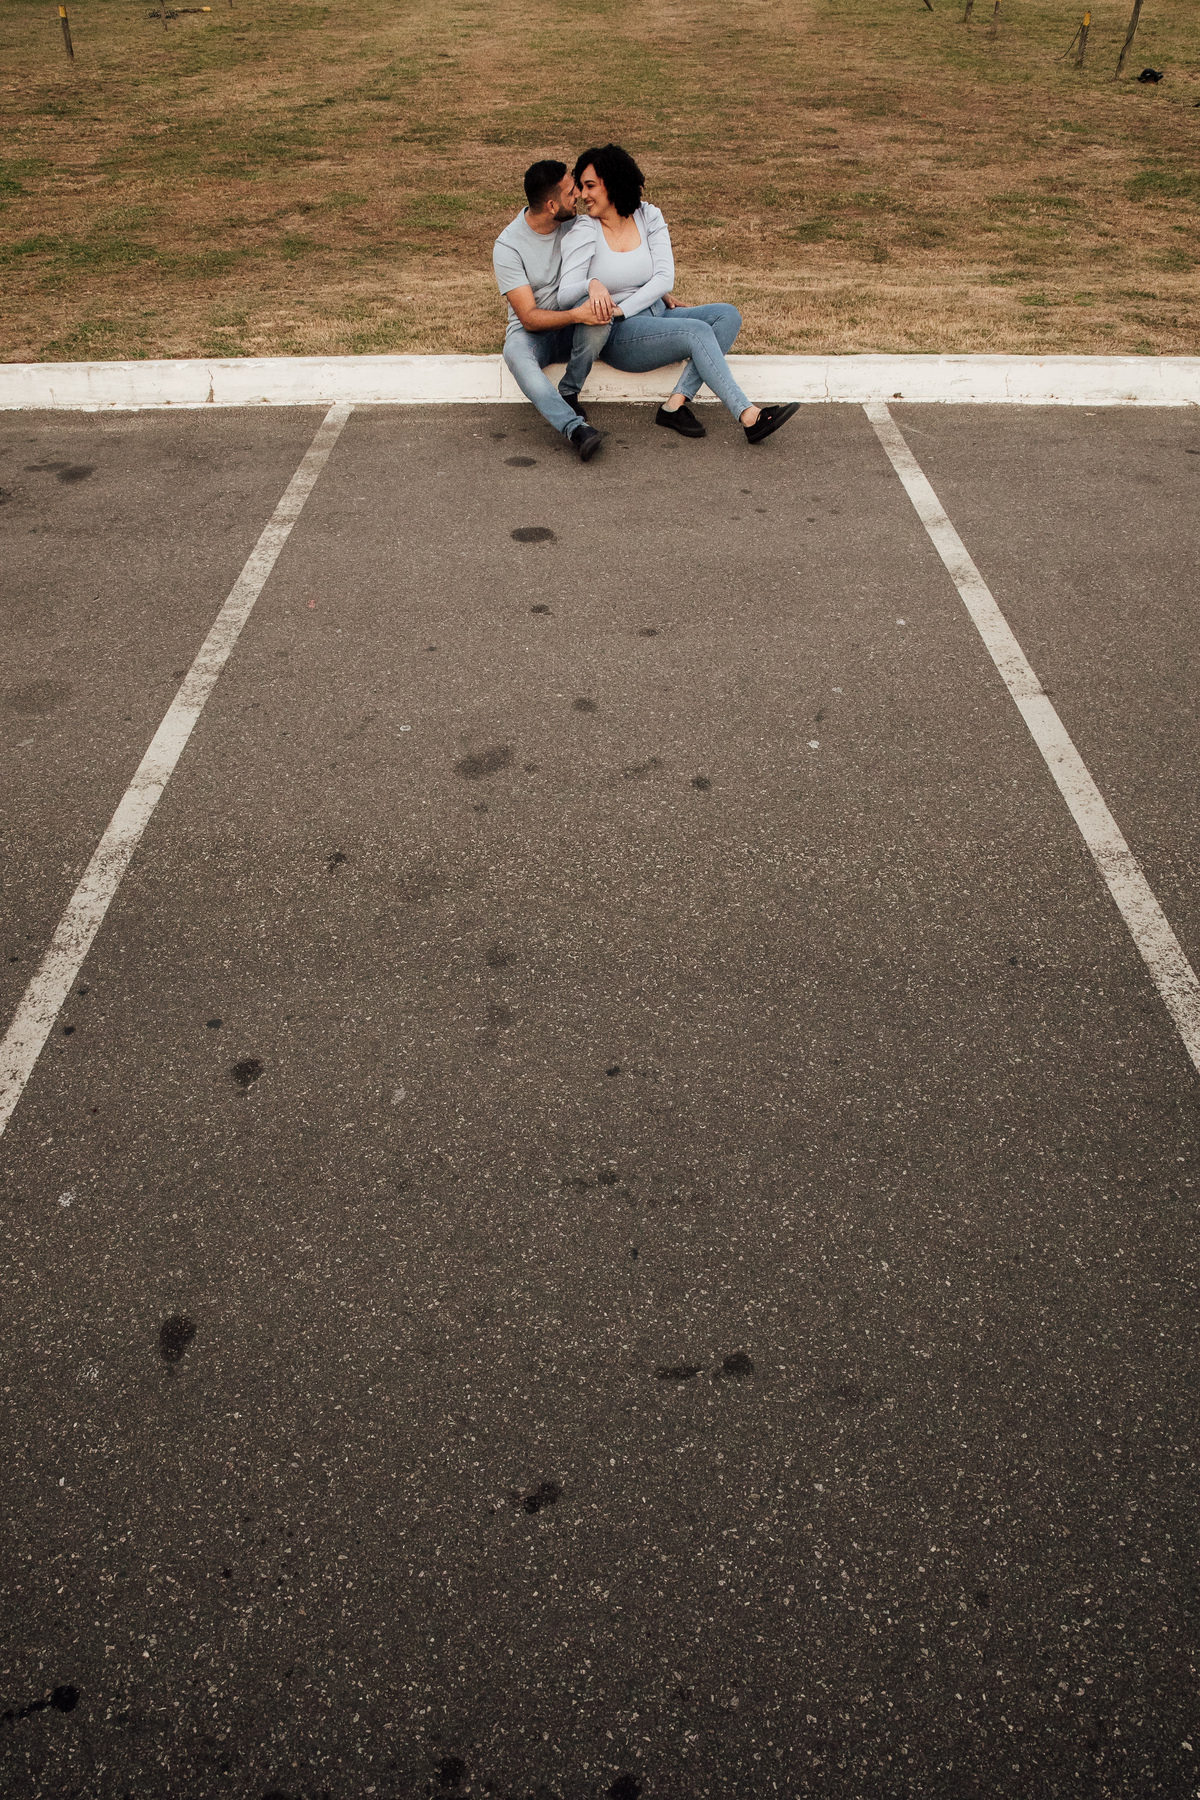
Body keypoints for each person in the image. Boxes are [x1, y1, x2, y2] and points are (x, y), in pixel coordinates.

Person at [557, 144, 799, 445]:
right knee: (696, 331)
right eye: (580, 187)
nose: (582, 194)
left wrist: (628, 305)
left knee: (727, 315)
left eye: (589, 185)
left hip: (655, 313)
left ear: (614, 183)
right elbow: (565, 294)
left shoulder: (648, 216)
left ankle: (675, 405)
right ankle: (748, 415)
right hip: (618, 334)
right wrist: (592, 285)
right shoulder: (584, 229)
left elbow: (664, 277)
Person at [492, 160, 608, 462]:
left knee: (598, 319)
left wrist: (660, 292)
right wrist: (575, 315)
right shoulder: (508, 246)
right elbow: (528, 318)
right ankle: (575, 429)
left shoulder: (578, 223)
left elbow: (623, 256)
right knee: (514, 352)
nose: (580, 196)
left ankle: (569, 391)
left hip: (573, 326)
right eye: (572, 192)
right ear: (551, 205)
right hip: (536, 333)